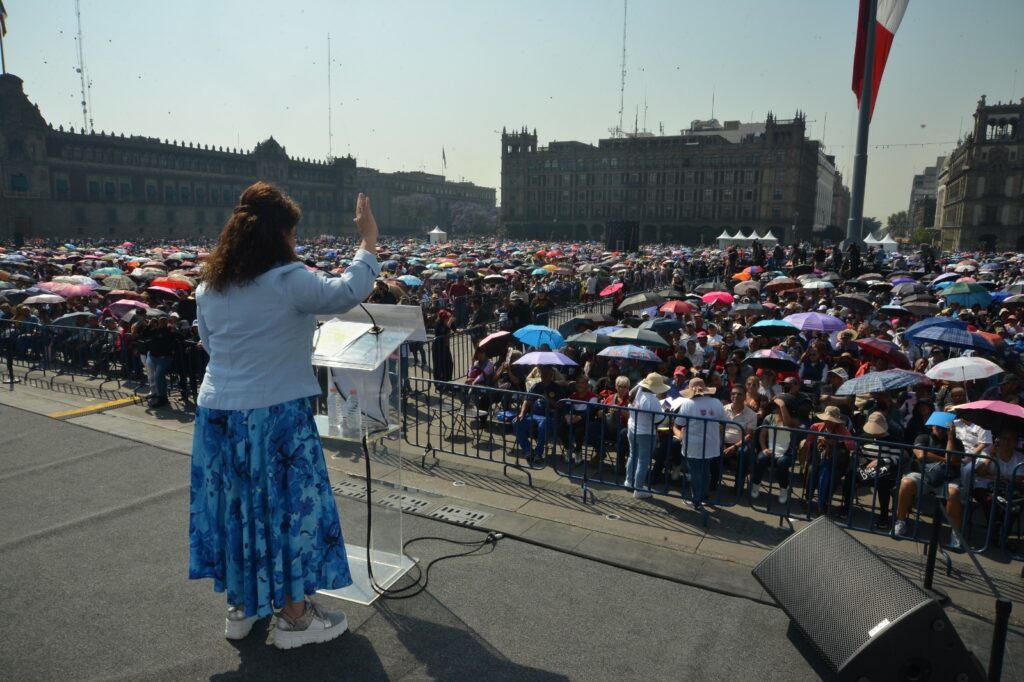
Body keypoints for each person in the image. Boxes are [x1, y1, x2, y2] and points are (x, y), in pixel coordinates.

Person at [189, 184, 379, 648]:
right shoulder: (287, 278)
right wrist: (368, 240)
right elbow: (349, 290)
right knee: (287, 511)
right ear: (281, 235)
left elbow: (211, 347)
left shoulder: (210, 286)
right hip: (274, 415)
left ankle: (242, 606)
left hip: (218, 413)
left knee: (237, 509)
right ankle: (294, 617)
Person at [894, 411, 965, 544]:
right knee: (906, 483)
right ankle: (901, 521)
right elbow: (921, 455)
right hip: (923, 475)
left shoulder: (956, 443)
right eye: (938, 427)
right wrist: (945, 459)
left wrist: (950, 439)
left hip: (947, 479)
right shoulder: (922, 437)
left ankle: (955, 532)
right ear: (932, 426)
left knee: (954, 493)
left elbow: (954, 459)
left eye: (945, 428)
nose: (941, 431)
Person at [674, 377, 726, 509]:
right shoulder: (716, 402)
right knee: (705, 469)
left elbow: (679, 423)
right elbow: (723, 420)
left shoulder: (688, 404)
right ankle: (703, 496)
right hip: (711, 441)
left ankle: (696, 499)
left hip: (694, 442)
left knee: (696, 471)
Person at [626, 372, 668, 499]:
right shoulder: (652, 399)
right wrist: (666, 410)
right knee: (643, 461)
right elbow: (658, 420)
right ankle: (638, 489)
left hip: (632, 427)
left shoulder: (637, 390)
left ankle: (629, 481)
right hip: (645, 432)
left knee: (633, 455)